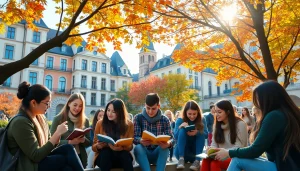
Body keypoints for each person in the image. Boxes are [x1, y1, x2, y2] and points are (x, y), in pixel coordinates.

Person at [213, 81, 300, 171]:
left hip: (284, 167)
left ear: (267, 98)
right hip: (289, 165)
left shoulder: (274, 116)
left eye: (258, 99)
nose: (256, 103)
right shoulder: (289, 113)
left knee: (237, 160)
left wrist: (228, 152)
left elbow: (256, 150)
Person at [7, 81, 84, 171]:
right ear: (33, 103)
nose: (49, 106)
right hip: (28, 165)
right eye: (47, 103)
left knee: (68, 152)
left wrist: (57, 137)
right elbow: (36, 155)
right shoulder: (20, 122)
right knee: (63, 159)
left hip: (40, 160)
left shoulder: (40, 118)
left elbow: (48, 144)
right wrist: (57, 133)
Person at [200, 99, 248, 171]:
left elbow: (239, 147)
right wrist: (210, 150)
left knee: (215, 163)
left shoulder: (240, 124)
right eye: (215, 112)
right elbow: (214, 144)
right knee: (206, 160)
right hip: (220, 156)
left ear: (228, 112)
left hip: (236, 157)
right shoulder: (216, 126)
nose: (216, 115)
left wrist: (224, 152)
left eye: (219, 112)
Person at [133, 93, 174, 171]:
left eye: (153, 108)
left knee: (165, 148)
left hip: (158, 154)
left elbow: (172, 139)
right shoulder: (138, 118)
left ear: (158, 106)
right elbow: (134, 137)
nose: (150, 111)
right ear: (145, 105)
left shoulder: (165, 119)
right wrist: (140, 140)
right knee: (138, 147)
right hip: (143, 155)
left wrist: (168, 143)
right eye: (148, 108)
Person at [50, 93, 90, 168]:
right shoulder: (58, 119)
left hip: (80, 156)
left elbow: (89, 143)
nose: (77, 108)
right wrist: (69, 142)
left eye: (80, 106)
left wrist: (83, 140)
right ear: (69, 104)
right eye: (75, 105)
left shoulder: (85, 120)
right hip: (63, 157)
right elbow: (51, 141)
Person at [92, 99, 134, 171]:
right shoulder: (100, 123)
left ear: (120, 112)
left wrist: (122, 148)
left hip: (121, 155)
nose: (109, 114)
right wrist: (98, 146)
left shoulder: (129, 124)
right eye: (108, 110)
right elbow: (94, 146)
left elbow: (130, 146)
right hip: (104, 157)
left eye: (113, 111)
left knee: (124, 155)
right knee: (106, 153)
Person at [174, 100, 208, 170]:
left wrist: (197, 133)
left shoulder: (202, 119)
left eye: (194, 114)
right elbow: (175, 137)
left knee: (201, 133)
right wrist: (180, 127)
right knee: (182, 129)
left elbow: (206, 134)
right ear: (185, 112)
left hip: (195, 153)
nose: (192, 116)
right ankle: (181, 159)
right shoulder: (180, 120)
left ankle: (197, 161)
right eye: (189, 114)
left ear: (198, 112)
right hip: (182, 152)